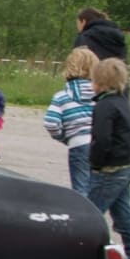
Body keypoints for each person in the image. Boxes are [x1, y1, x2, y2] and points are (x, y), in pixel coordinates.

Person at [86, 57, 130, 259]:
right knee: (123, 215)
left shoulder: (105, 106)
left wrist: (95, 161)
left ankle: (81, 258)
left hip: (109, 169)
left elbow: (102, 139)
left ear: (99, 81)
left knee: (89, 213)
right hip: (125, 167)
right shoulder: (125, 103)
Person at [43, 47, 98, 196]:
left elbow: (51, 122)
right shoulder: (101, 95)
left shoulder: (62, 96)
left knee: (80, 189)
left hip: (78, 144)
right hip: (100, 143)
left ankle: (84, 217)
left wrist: (64, 137)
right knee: (97, 187)